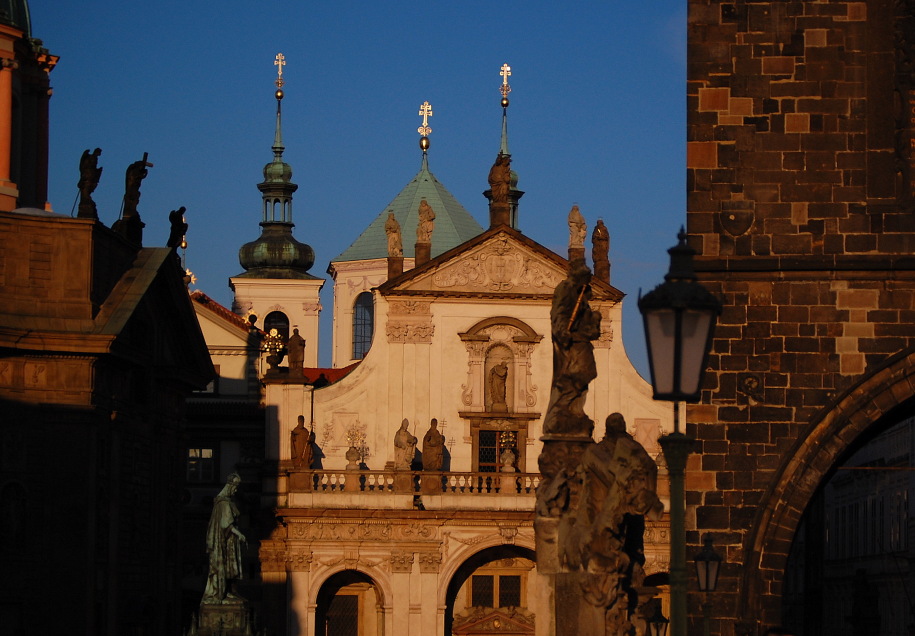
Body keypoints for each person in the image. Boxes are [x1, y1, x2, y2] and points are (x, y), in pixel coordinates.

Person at [543, 258, 602, 436]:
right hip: (571, 341)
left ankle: (573, 410)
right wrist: (562, 331)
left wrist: (594, 320)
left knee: (586, 373)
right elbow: (559, 312)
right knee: (576, 374)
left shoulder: (581, 293)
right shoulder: (566, 289)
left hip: (581, 340)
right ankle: (561, 411)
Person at [202, 472, 246, 604]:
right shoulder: (224, 503)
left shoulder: (224, 502)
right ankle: (224, 593)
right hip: (227, 541)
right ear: (230, 486)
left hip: (229, 540)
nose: (236, 490)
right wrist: (240, 534)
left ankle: (229, 592)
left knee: (230, 567)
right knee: (228, 566)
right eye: (235, 487)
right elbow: (226, 524)